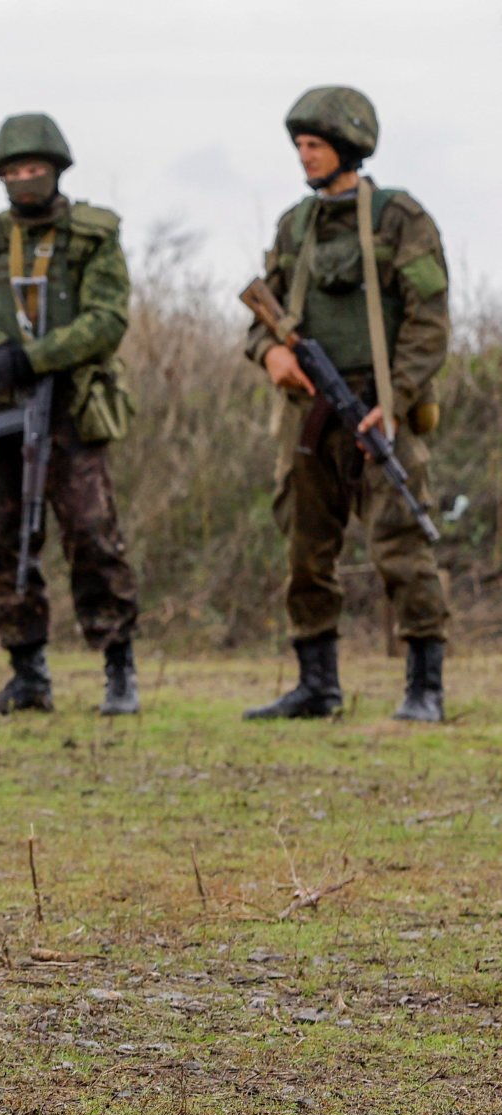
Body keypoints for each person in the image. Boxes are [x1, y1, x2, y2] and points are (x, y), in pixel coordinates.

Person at [243, 86, 451, 724]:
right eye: (300, 146)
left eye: (315, 145)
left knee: (401, 543)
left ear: (349, 146)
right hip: (310, 412)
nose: (304, 157)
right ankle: (316, 685)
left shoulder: (399, 218)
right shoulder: (295, 226)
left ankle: (424, 686)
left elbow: (430, 322)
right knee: (305, 548)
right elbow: (263, 313)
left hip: (376, 406)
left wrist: (395, 399)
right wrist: (267, 354)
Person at [0, 113, 142, 716]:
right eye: (13, 171)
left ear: (56, 171)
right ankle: (27, 673)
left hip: (70, 407)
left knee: (94, 536)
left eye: (34, 169)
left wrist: (37, 358)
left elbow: (107, 320)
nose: (24, 180)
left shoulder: (92, 236)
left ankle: (118, 667)